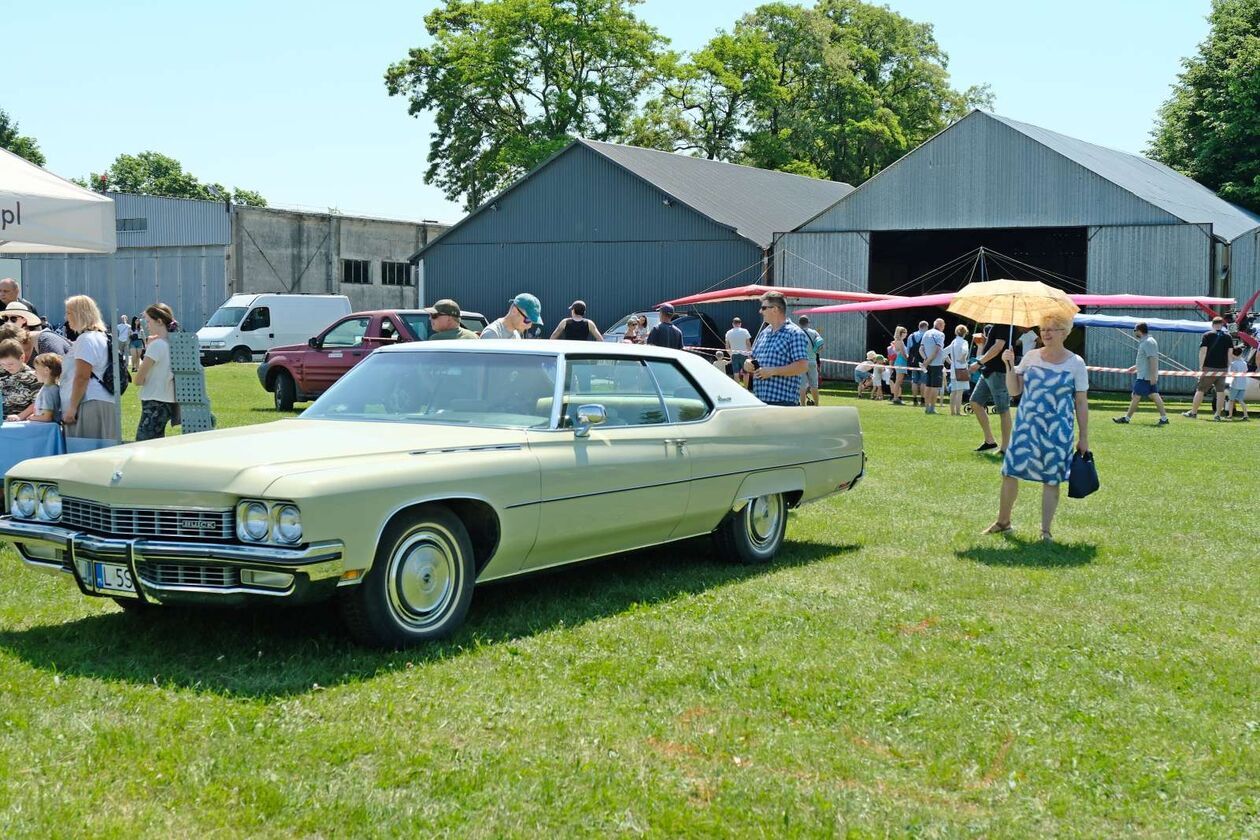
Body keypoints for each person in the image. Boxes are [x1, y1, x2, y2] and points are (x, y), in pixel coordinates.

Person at [983, 313, 1090, 542]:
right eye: (1043, 329)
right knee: (1009, 472)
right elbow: (1014, 391)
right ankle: (1003, 522)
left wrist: (1084, 437)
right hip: (1026, 427)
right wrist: (1009, 364)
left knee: (1051, 479)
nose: (1046, 333)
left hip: (1058, 431)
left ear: (1065, 332)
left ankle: (1045, 531)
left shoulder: (1076, 363)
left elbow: (1080, 402)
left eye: (1052, 329)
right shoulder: (1030, 357)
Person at [60, 294, 120, 442]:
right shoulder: (104, 337)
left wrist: (72, 408)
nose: (67, 318)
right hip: (106, 400)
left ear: (79, 314)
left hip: (87, 404)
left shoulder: (85, 340)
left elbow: (82, 377)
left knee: (84, 451)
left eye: (69, 313)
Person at [744, 292, 808, 407]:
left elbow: (802, 366)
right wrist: (748, 364)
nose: (760, 311)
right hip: (760, 402)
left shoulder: (794, 333)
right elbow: (751, 358)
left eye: (763, 308)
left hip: (784, 404)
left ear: (775, 309)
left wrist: (773, 371)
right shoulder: (764, 333)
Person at [132, 303, 178, 441]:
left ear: (159, 321)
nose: (147, 325)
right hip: (168, 401)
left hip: (153, 402)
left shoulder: (157, 345)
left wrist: (149, 347)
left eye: (148, 321)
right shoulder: (174, 343)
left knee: (143, 444)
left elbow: (138, 380)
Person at [1113, 322, 1169, 426]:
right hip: (1146, 375)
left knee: (1136, 396)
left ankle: (1127, 418)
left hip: (1145, 376)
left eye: (1135, 330)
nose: (1134, 332)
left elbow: (1152, 359)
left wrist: (1152, 376)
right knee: (1155, 395)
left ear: (1139, 331)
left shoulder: (1148, 342)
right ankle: (1164, 418)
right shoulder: (1147, 341)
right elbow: (1145, 359)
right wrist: (1135, 367)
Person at [969, 323, 1013, 453]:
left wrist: (979, 362)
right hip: (988, 371)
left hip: (998, 372)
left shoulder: (1005, 325)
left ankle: (1005, 448)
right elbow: (994, 345)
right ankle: (990, 441)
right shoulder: (998, 325)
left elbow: (998, 347)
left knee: (1003, 410)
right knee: (975, 402)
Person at [1184, 316, 1233, 420]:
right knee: (1220, 392)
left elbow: (1203, 351)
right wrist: (1229, 366)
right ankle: (1218, 415)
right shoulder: (1228, 337)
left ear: (1212, 324)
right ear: (1222, 325)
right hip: (1223, 368)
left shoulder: (1207, 335)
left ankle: (1193, 412)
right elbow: (1230, 353)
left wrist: (1201, 365)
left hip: (1209, 367)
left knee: (1201, 389)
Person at [0, 303, 71, 361]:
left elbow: (60, 369)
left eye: (13, 318)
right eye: (5, 318)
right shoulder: (6, 339)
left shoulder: (45, 340)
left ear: (24, 320)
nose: (8, 322)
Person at [7, 353, 61, 422]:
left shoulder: (48, 391)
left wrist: (32, 418)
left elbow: (47, 417)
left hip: (46, 428)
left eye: (36, 369)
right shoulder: (53, 388)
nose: (34, 373)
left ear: (46, 370)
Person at [0, 338, 39, 418]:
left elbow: (38, 402)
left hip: (21, 421)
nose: (6, 367)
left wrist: (20, 416)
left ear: (22, 358)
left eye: (10, 364)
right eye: (2, 364)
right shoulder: (1, 373)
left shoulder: (34, 377)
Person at [920, 317, 946, 414]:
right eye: (943, 325)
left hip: (928, 365)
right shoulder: (940, 335)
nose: (944, 327)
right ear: (939, 325)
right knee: (935, 387)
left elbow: (921, 349)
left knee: (928, 385)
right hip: (936, 364)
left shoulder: (926, 333)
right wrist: (928, 361)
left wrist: (926, 360)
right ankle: (932, 407)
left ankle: (927, 407)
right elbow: (936, 350)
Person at [945, 324, 971, 415]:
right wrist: (963, 358)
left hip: (953, 369)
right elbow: (964, 350)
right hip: (962, 369)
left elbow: (944, 352)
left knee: (953, 391)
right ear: (965, 333)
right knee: (959, 391)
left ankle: (952, 412)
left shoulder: (953, 342)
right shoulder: (964, 342)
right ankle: (958, 412)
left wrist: (951, 362)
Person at [798, 316, 823, 407]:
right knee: (814, 385)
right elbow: (821, 346)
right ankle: (816, 405)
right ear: (808, 323)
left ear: (799, 323)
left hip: (801, 362)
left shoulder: (797, 332)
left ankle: (802, 405)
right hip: (812, 361)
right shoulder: (814, 332)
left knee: (802, 386)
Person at [725, 316, 752, 387]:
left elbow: (727, 347)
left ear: (733, 324)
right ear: (740, 324)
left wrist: (731, 355)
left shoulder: (728, 333)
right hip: (744, 355)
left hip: (734, 355)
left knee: (736, 374)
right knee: (746, 373)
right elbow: (748, 343)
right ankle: (745, 389)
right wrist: (749, 354)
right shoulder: (745, 331)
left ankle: (738, 390)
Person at [905, 321, 927, 405]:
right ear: (926, 327)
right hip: (923, 361)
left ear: (919, 326)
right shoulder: (926, 335)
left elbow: (908, 350)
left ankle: (914, 399)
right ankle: (922, 399)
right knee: (923, 381)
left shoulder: (911, 336)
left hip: (913, 361)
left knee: (914, 381)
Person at [1227, 345, 1250, 421]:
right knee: (1241, 400)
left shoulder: (1233, 364)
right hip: (1243, 385)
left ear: (1233, 354)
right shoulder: (1244, 363)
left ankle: (1230, 415)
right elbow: (1245, 371)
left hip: (1235, 385)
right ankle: (1246, 415)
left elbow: (1232, 374)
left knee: (1231, 400)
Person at [889, 326, 909, 405]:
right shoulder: (900, 341)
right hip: (901, 362)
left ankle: (895, 397)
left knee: (898, 381)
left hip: (899, 362)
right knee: (898, 381)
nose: (906, 334)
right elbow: (903, 353)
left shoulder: (897, 341)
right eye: (905, 332)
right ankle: (896, 398)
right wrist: (908, 359)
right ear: (901, 333)